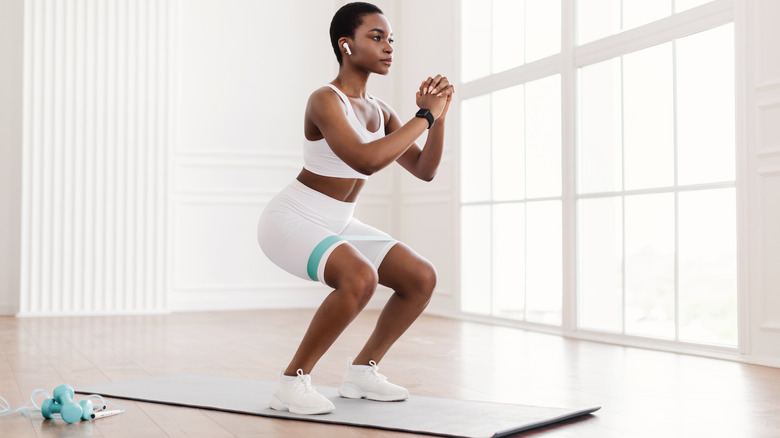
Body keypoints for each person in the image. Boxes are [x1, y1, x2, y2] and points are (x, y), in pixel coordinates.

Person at [257, 1, 453, 415]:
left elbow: (424, 169)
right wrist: (424, 115)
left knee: (420, 278)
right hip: (292, 220)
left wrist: (438, 118)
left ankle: (363, 373)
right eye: (376, 37)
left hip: (338, 222)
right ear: (346, 45)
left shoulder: (381, 110)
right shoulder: (324, 100)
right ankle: (291, 383)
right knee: (360, 278)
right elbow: (364, 159)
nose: (388, 47)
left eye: (390, 39)